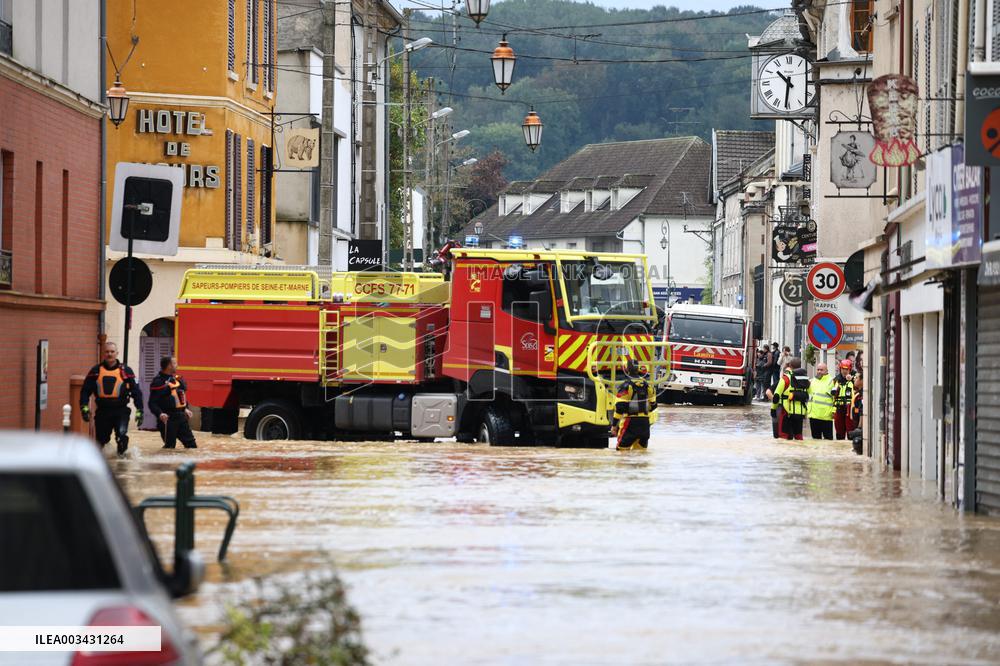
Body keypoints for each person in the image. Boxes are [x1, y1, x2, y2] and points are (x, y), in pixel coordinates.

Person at [80, 342, 143, 457]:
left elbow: (136, 392)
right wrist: (84, 407)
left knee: (121, 436)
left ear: (117, 353)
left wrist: (140, 410)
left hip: (121, 411)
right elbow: (85, 391)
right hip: (103, 411)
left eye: (112, 352)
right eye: (107, 351)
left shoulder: (126, 371)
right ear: (103, 353)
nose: (109, 354)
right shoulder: (95, 371)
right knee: (100, 441)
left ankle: (122, 463)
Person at [148, 356, 198, 450]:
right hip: (168, 420)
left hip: (181, 417)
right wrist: (160, 414)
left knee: (192, 446)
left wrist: (185, 409)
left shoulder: (176, 379)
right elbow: (152, 403)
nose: (177, 365)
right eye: (175, 363)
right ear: (169, 366)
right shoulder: (158, 382)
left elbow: (179, 396)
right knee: (169, 448)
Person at [612, 359, 654, 451]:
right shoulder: (648, 385)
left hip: (630, 422)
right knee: (640, 454)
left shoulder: (626, 385)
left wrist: (614, 425)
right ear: (638, 369)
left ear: (627, 369)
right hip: (645, 423)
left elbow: (620, 407)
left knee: (621, 453)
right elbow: (653, 405)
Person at [774, 357, 809, 441]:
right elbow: (809, 394)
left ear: (790, 365)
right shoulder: (806, 380)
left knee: (783, 437)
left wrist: (773, 409)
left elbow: (776, 396)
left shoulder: (785, 378)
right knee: (799, 437)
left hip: (786, 411)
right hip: (800, 412)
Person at [807, 362, 835, 440]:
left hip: (826, 416)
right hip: (813, 415)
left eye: (821, 370)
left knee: (828, 441)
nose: (819, 371)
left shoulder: (831, 381)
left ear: (826, 371)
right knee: (815, 440)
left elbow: (835, 398)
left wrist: (834, 411)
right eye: (818, 369)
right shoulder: (812, 381)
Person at [833, 359, 855, 440]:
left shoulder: (855, 379)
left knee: (850, 429)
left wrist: (852, 379)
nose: (844, 371)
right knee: (839, 431)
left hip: (850, 408)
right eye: (843, 369)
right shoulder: (836, 380)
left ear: (850, 370)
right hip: (839, 407)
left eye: (846, 369)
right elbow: (833, 396)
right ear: (840, 369)